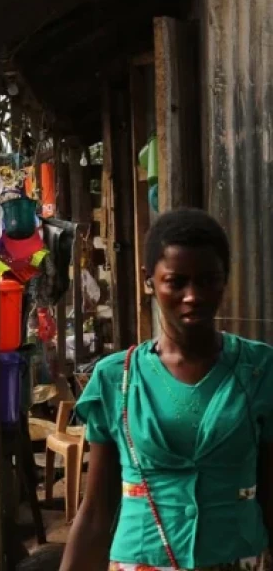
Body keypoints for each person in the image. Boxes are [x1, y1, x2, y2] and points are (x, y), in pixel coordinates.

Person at [62, 209, 273, 571]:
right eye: (176, 282)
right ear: (149, 281)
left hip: (237, 558)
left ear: (225, 279)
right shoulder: (117, 378)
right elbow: (96, 509)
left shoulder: (258, 370)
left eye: (208, 281)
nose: (193, 296)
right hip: (141, 561)